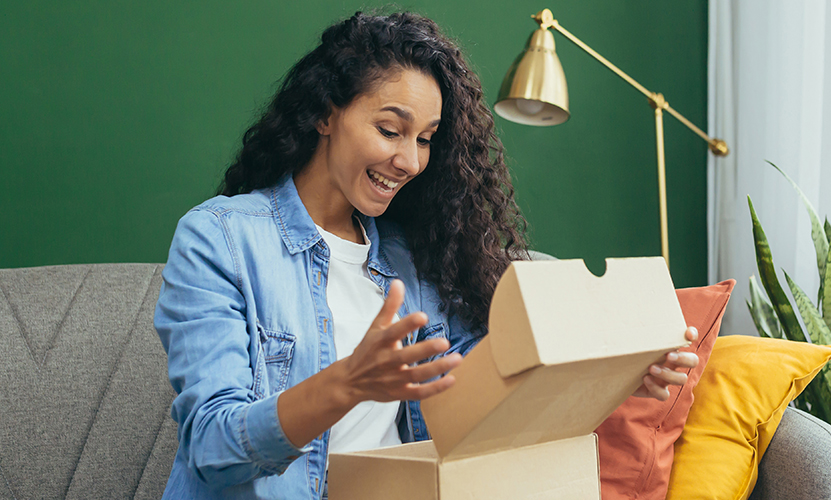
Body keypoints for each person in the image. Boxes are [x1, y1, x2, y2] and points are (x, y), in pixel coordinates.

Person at [154, 11, 699, 499]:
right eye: (390, 130)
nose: (410, 162)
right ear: (325, 114)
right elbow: (211, 447)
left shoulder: (408, 254)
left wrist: (611, 372)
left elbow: (485, 391)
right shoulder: (221, 239)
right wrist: (347, 383)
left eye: (425, 139)